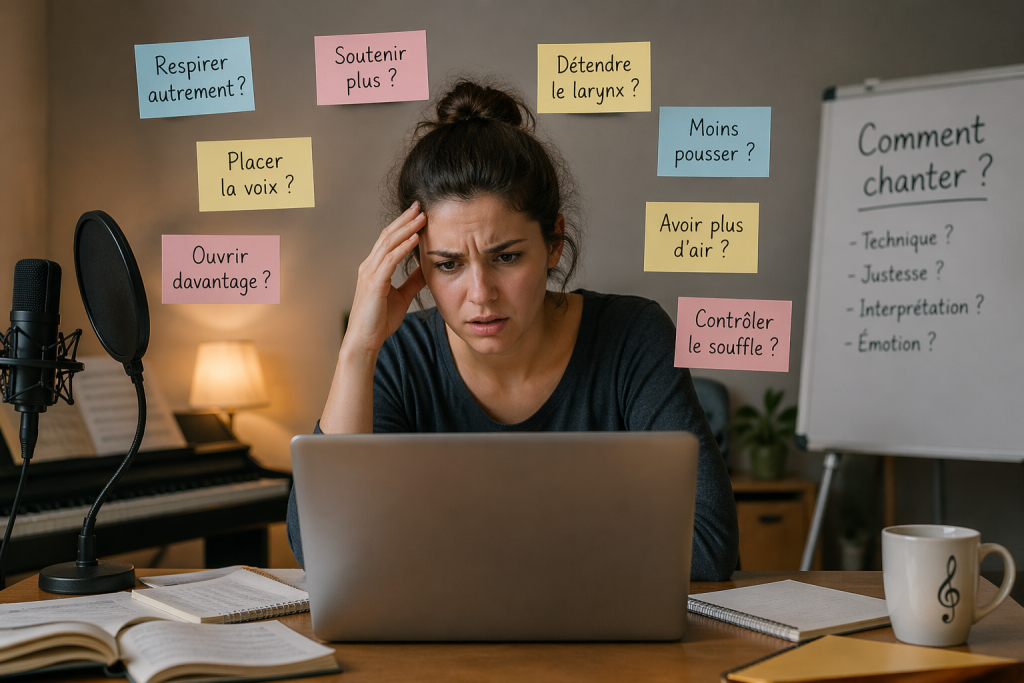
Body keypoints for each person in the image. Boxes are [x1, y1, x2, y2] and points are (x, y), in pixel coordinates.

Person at [287, 78, 739, 581]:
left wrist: (440, 544)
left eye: (506, 257)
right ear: (416, 263)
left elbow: (706, 545)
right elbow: (324, 548)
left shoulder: (635, 337)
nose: (481, 294)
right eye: (449, 264)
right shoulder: (395, 357)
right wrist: (359, 350)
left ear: (554, 244)